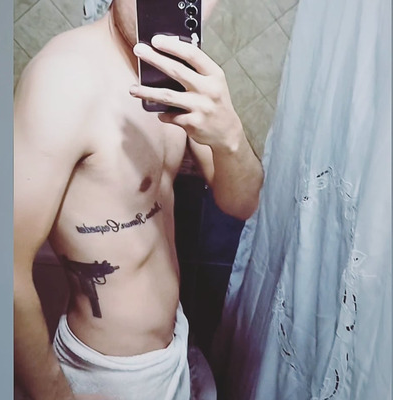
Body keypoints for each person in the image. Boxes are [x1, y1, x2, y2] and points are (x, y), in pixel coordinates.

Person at [14, 0, 263, 399]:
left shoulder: (180, 72)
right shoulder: (62, 79)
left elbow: (243, 204)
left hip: (173, 343)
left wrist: (229, 136)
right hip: (109, 373)